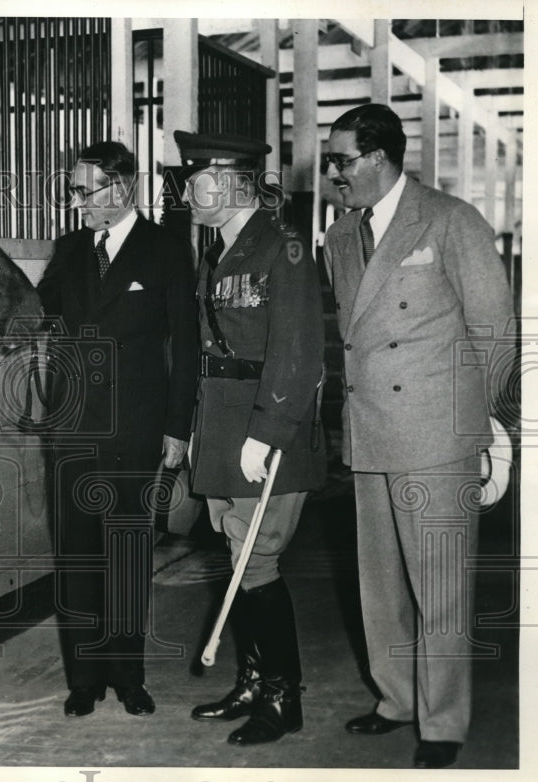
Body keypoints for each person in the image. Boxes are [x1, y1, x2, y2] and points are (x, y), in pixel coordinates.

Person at [322, 103, 516, 769]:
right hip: (370, 431)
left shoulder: (450, 219)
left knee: (440, 589)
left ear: (378, 157)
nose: (331, 173)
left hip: (434, 436)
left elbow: (495, 331)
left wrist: (472, 422)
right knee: (379, 586)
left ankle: (443, 720)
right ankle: (395, 698)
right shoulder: (339, 238)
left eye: (341, 160)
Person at [37, 140, 199, 718]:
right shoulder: (71, 248)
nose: (76, 202)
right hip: (72, 429)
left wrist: (178, 428)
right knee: (77, 555)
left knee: (127, 553)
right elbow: (38, 315)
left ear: (122, 187)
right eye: (74, 191)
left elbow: (186, 344)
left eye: (85, 191)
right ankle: (84, 680)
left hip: (135, 429)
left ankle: (129, 676)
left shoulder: (165, 250)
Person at [175, 130, 326, 745]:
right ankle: (254, 680)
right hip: (222, 423)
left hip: (266, 429)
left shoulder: (283, 246)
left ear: (234, 183)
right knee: (237, 559)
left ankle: (284, 697)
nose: (185, 192)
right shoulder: (219, 250)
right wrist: (197, 431)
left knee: (257, 562)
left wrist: (266, 434)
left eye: (195, 179)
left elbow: (298, 351)